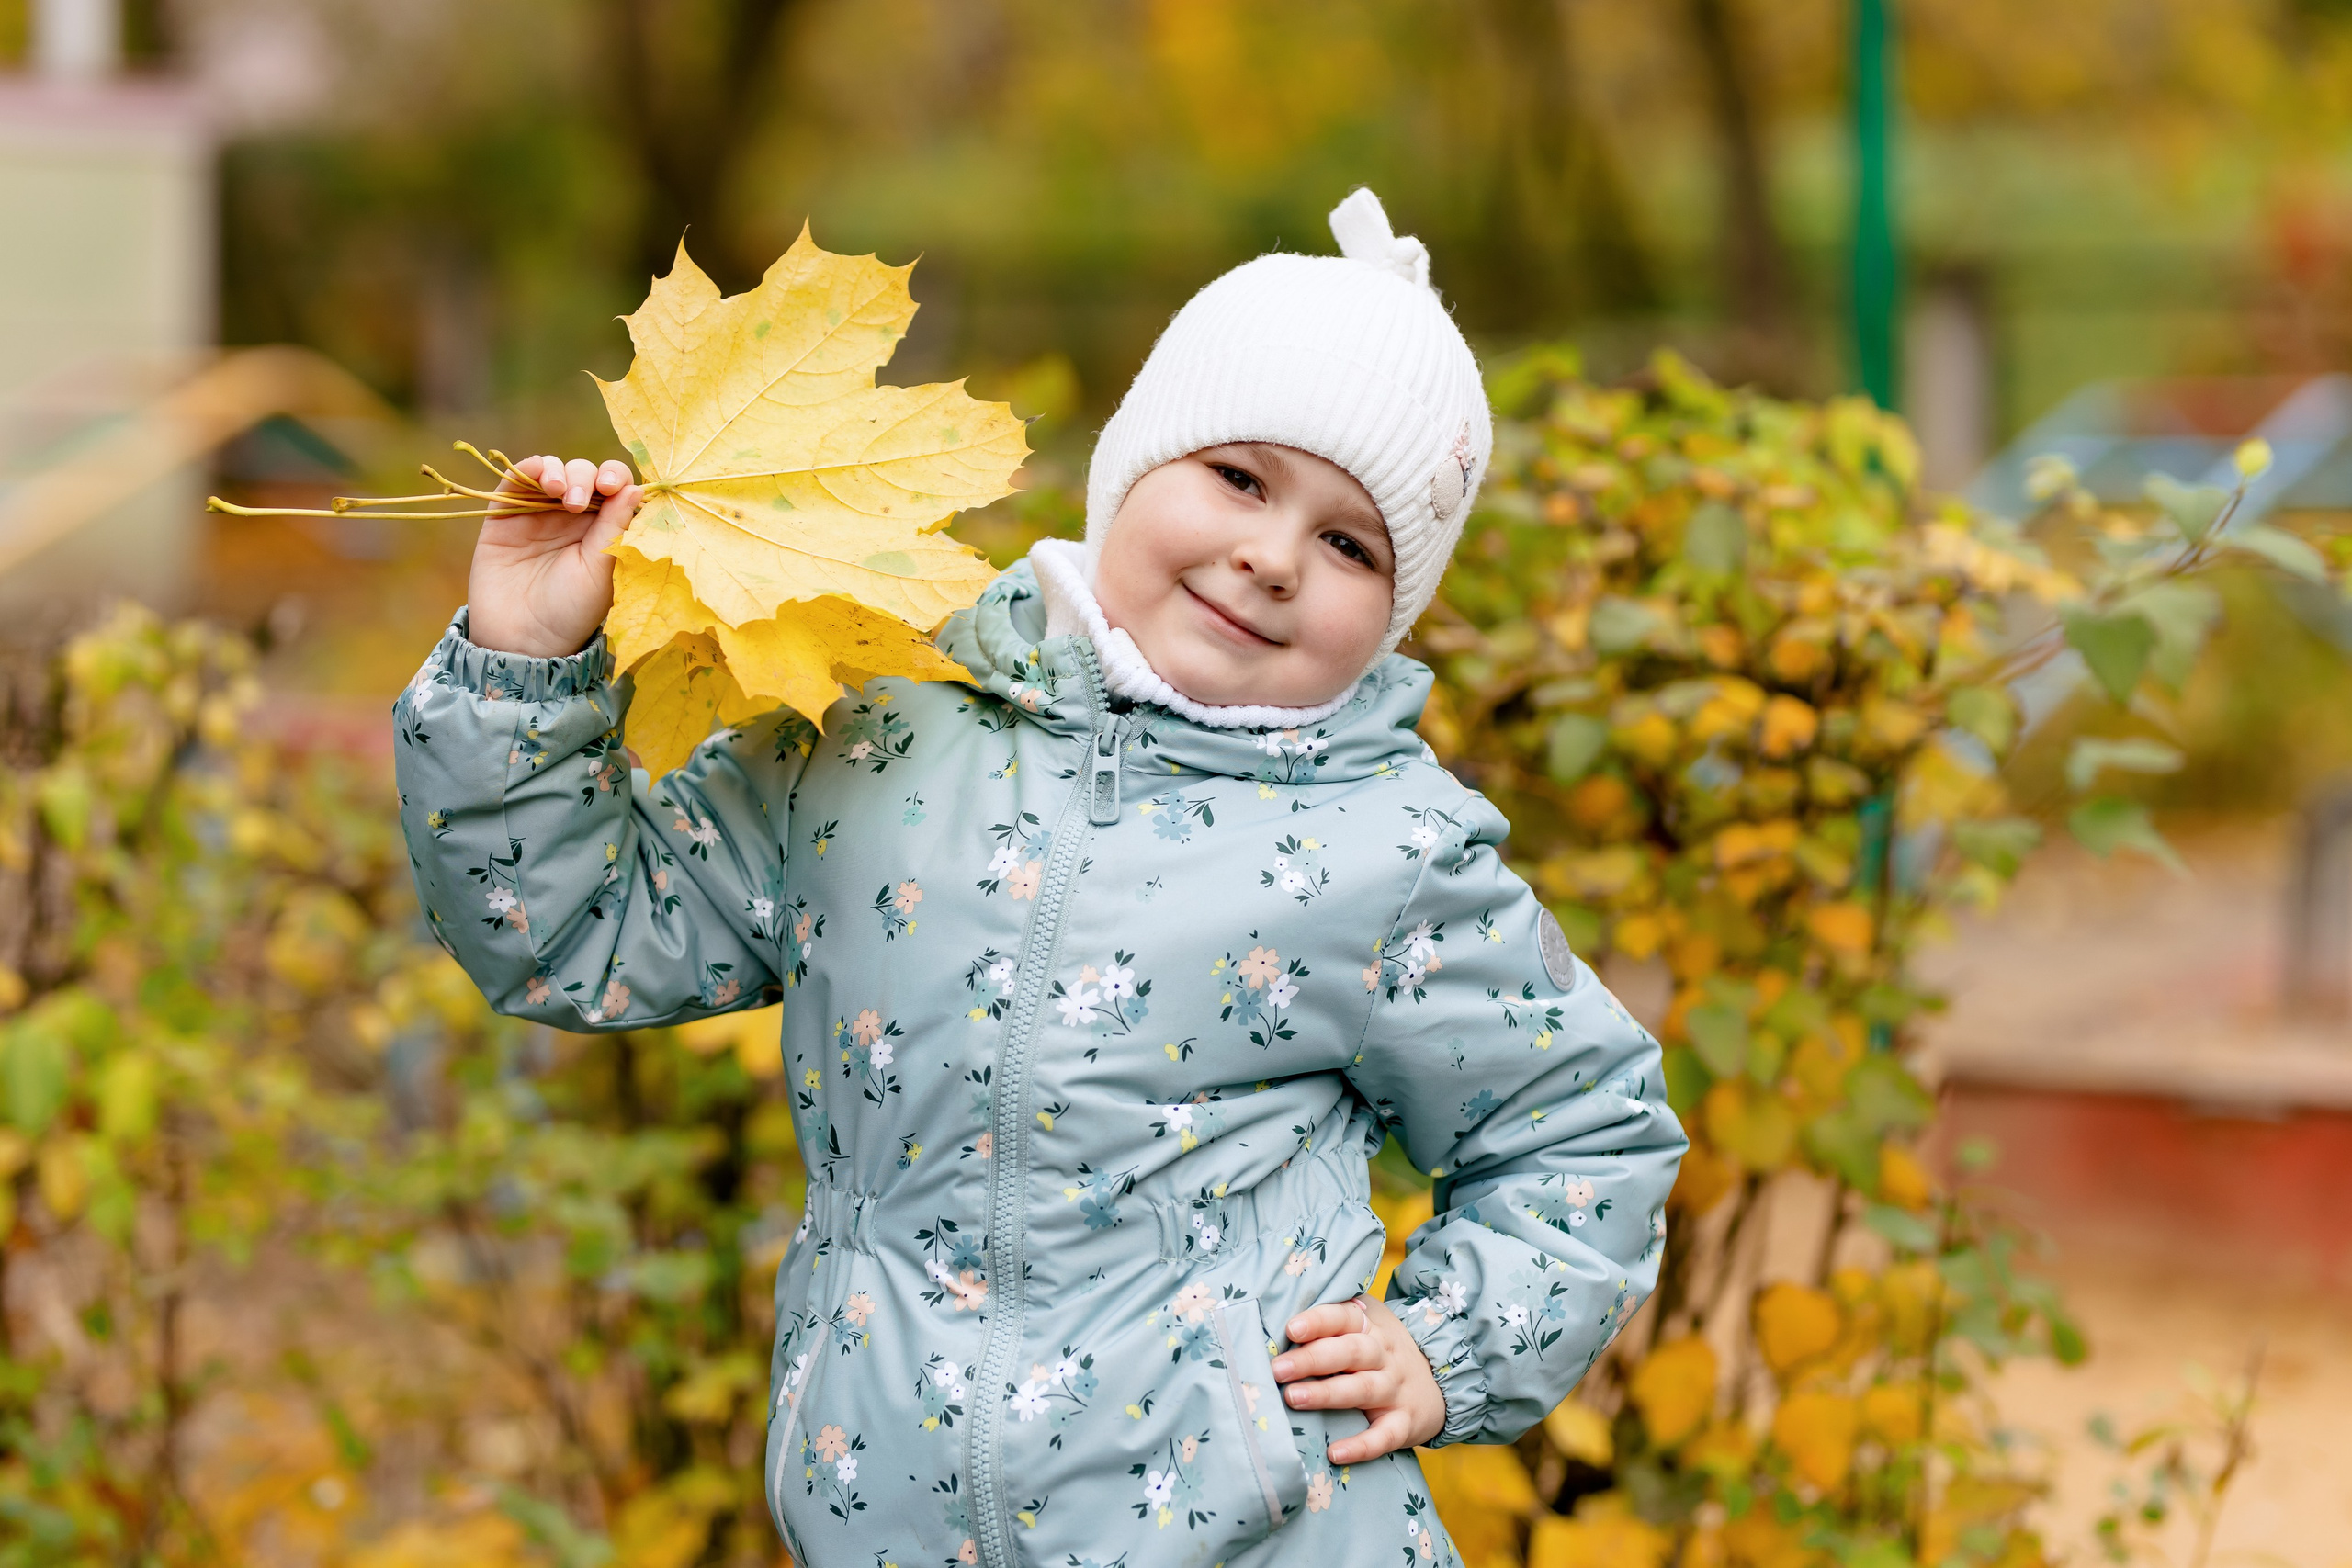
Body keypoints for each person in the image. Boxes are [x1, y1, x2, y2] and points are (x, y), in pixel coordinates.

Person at [395, 187, 1684, 1568]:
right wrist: (521, 666)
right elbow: (572, 934)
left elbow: (1585, 1123)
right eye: (1240, 479)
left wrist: (1445, 1345)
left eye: (1349, 544)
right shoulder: (878, 722)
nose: (1270, 556)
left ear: (1393, 612)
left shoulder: (1387, 849)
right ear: (1134, 461)